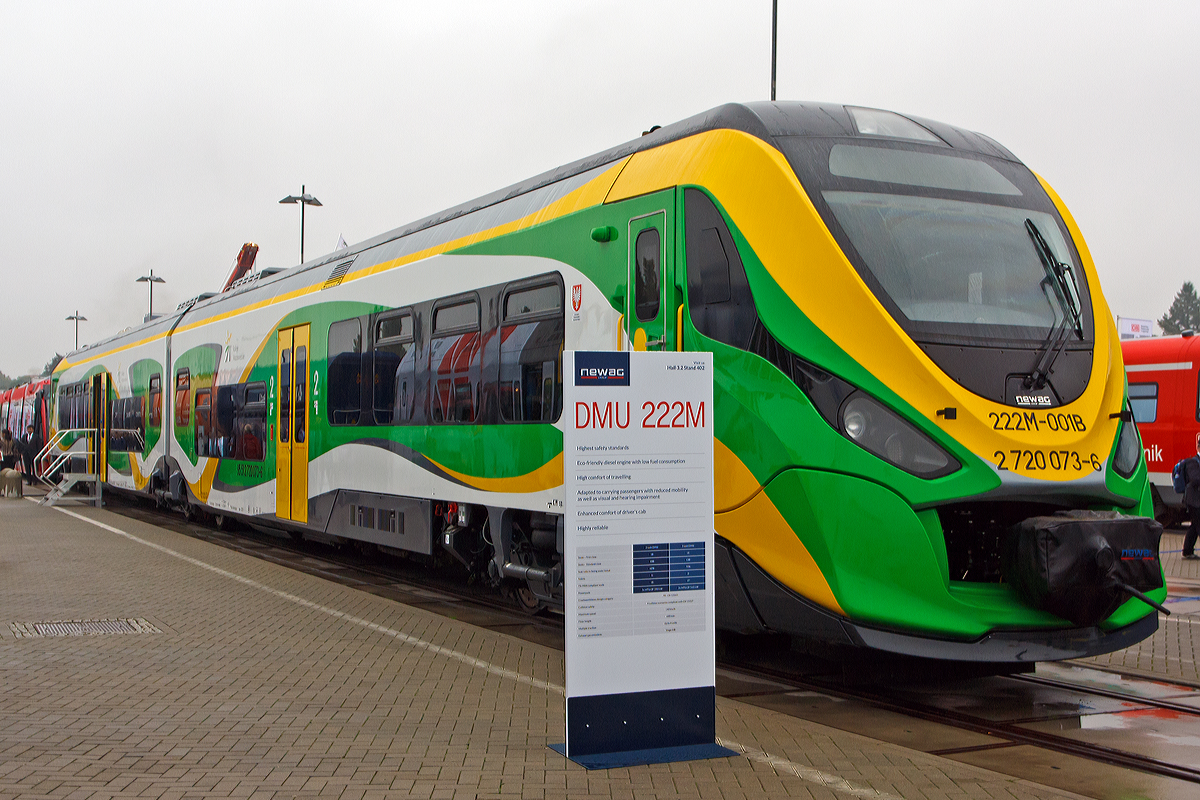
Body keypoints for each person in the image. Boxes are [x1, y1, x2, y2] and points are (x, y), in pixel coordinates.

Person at [1182, 432, 1200, 560]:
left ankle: (1187, 551)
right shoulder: (1193, 462)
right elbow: (1195, 479)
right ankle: (1187, 551)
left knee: (1194, 526)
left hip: (1196, 501)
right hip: (1194, 501)